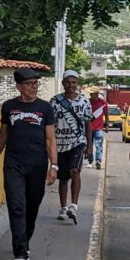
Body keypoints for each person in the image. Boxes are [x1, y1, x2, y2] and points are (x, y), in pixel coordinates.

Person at [0, 68, 57, 260]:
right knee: (16, 205)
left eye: (36, 84)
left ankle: (24, 239)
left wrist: (54, 166)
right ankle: (21, 251)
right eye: (30, 84)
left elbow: (50, 139)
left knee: (32, 206)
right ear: (19, 87)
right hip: (13, 164)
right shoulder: (9, 107)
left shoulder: (44, 108)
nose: (34, 87)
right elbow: (3, 136)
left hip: (37, 165)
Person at [50, 70, 91, 224]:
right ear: (63, 83)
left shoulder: (84, 102)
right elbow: (50, 125)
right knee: (63, 178)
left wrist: (89, 146)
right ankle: (63, 207)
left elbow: (88, 124)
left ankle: (73, 205)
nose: (71, 85)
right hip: (59, 144)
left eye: (74, 82)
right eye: (68, 82)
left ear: (77, 83)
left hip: (77, 142)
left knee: (75, 170)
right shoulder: (54, 101)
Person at [87, 86, 108, 169]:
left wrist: (107, 126)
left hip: (99, 128)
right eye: (91, 93)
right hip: (89, 128)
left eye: (94, 93)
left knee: (98, 145)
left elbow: (106, 114)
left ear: (97, 94)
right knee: (89, 145)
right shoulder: (87, 102)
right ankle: (90, 160)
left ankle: (98, 160)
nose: (92, 95)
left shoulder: (102, 103)